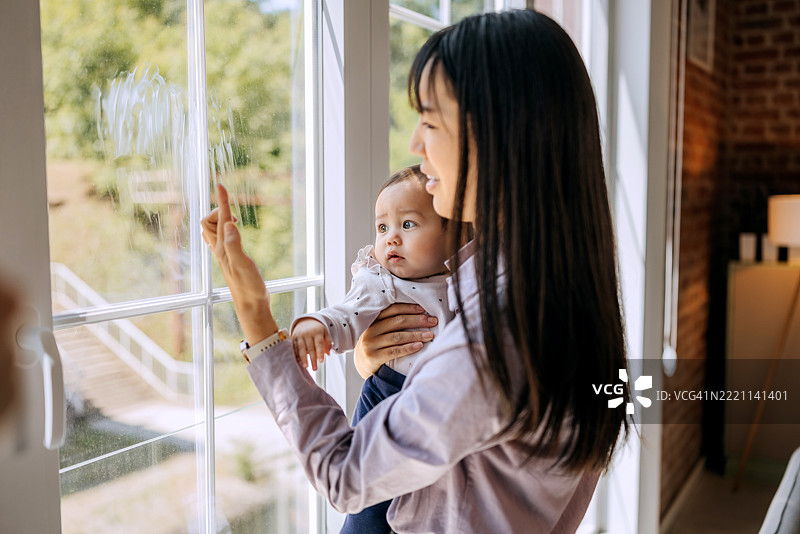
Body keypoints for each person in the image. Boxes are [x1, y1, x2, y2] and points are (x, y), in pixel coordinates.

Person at [202, 9, 628, 533]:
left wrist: (256, 317)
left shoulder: (496, 331)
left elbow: (344, 474)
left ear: (495, 134)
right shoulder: (553, 284)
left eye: (429, 120)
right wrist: (382, 364)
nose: (414, 145)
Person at [291, 164, 455, 533]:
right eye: (383, 228)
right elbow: (346, 315)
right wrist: (315, 325)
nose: (391, 239)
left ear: (453, 231)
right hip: (387, 396)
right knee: (371, 507)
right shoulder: (382, 281)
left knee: (429, 500)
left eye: (408, 225)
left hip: (442, 406)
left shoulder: (467, 278)